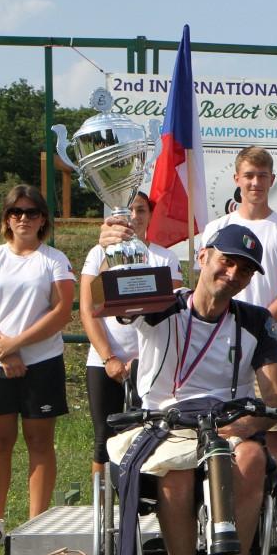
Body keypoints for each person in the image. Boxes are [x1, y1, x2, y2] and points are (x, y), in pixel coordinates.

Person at [102, 223, 277, 555]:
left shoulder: (256, 321)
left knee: (254, 457)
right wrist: (113, 252)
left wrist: (250, 421)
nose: (233, 274)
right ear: (203, 257)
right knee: (178, 474)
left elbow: (276, 398)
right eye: (227, 261)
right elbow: (116, 304)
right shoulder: (162, 305)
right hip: (165, 422)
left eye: (245, 270)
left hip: (227, 423)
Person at [0, 185, 75, 550]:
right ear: (6, 219)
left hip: (41, 363)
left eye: (31, 212)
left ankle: (36, 526)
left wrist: (17, 344)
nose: (23, 219)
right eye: (16, 212)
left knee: (40, 442)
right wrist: (4, 352)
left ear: (43, 219)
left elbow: (61, 311)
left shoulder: (54, 259)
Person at [199, 146, 277, 468]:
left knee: (271, 431)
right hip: (218, 342)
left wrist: (256, 326)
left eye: (262, 176)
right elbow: (207, 286)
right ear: (237, 178)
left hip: (268, 343)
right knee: (217, 429)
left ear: (272, 180)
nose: (255, 182)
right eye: (249, 175)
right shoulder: (216, 229)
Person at [81, 191, 182, 479]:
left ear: (150, 215)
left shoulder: (164, 257)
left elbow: (170, 311)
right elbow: (90, 309)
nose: (134, 218)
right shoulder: (98, 254)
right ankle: (103, 509)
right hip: (104, 360)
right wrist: (109, 358)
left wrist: (139, 360)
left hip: (150, 362)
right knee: (104, 439)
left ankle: (143, 498)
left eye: (140, 211)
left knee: (153, 435)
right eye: (129, 211)